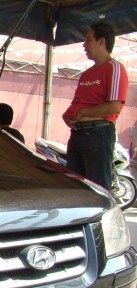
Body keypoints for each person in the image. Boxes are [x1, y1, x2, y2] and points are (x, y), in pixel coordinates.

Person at [62, 21, 128, 190]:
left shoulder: (115, 68)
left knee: (97, 189)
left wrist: (85, 112)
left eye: (88, 39)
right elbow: (76, 103)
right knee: (74, 186)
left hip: (99, 133)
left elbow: (114, 106)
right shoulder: (85, 75)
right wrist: (68, 115)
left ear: (102, 41)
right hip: (77, 134)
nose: (84, 45)